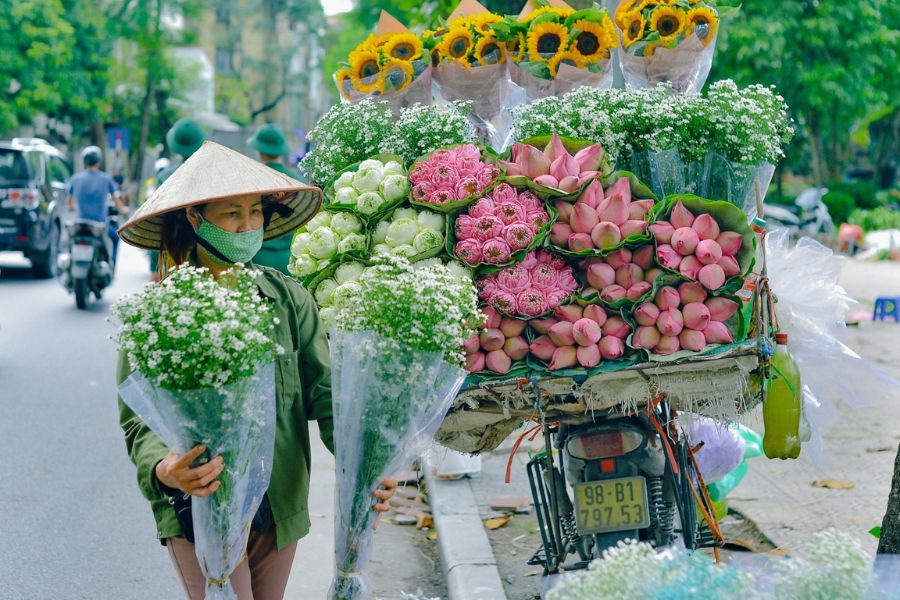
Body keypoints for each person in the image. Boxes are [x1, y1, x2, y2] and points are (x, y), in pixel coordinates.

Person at [116, 141, 397, 600]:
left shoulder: (288, 299)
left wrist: (364, 458)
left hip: (277, 503)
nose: (248, 226)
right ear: (195, 218)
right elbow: (138, 419)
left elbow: (325, 392)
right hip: (199, 501)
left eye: (255, 212)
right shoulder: (159, 311)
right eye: (231, 214)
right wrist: (166, 469)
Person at [149, 119, 206, 281]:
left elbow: (160, 221)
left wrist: (155, 266)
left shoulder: (164, 178)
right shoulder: (213, 176)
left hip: (175, 250)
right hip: (210, 250)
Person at [247, 124, 303, 275]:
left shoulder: (248, 180)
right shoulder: (297, 181)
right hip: (290, 258)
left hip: (257, 257)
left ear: (258, 149)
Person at [66, 145, 127, 264]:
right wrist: (123, 210)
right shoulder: (106, 179)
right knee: (115, 237)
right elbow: (116, 201)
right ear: (99, 162)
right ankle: (111, 263)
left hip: (80, 226)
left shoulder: (75, 179)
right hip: (99, 226)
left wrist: (74, 207)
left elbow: (69, 203)